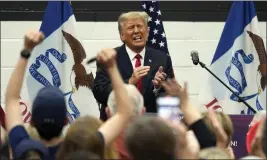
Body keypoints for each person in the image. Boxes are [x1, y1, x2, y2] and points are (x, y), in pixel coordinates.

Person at [92, 11, 174, 121]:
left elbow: (171, 96)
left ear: (148, 31)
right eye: (131, 27)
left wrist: (158, 87)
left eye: (140, 26)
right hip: (117, 125)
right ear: (122, 35)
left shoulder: (162, 58)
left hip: (151, 126)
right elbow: (99, 92)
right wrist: (129, 82)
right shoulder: (109, 58)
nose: (136, 31)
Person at [4, 31, 66, 160]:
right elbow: (120, 115)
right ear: (66, 121)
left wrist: (26, 50)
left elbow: (11, 99)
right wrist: (111, 66)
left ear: (31, 122)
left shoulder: (22, 149)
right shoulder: (77, 152)